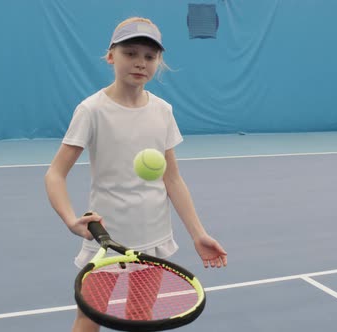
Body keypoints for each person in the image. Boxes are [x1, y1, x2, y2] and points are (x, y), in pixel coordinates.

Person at [44, 17, 227, 332]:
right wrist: (70, 218)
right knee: (89, 317)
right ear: (111, 56)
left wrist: (198, 233)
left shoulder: (163, 111)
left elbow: (173, 179)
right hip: (105, 242)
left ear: (158, 62)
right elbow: (55, 174)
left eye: (149, 56)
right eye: (130, 53)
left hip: (153, 241)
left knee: (141, 315)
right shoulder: (92, 110)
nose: (140, 63)